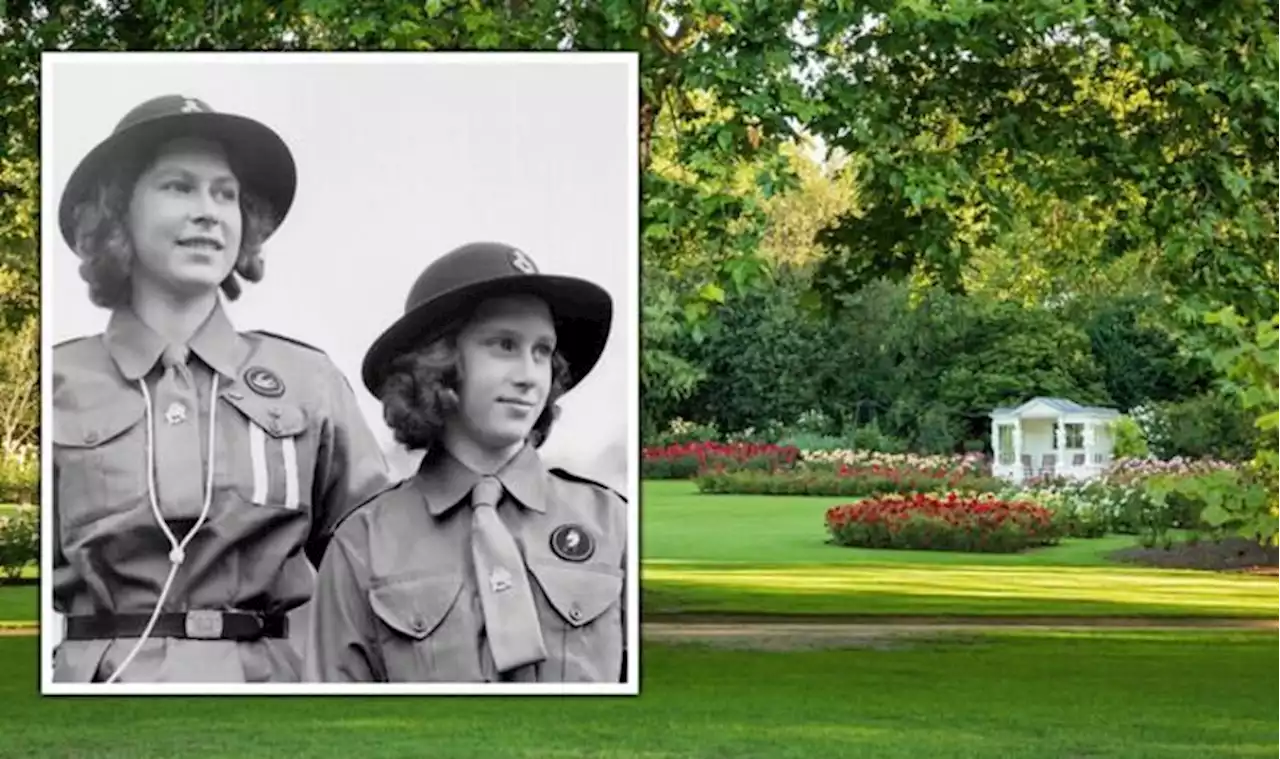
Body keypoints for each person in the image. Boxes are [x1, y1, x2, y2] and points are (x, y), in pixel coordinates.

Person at [51, 94, 391, 683]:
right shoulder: (57, 379)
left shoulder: (308, 383)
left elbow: (379, 566)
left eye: (225, 194)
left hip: (270, 692)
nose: (209, 212)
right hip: (101, 696)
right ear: (116, 214)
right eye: (179, 187)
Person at [304, 241, 627, 683]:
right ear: (438, 365)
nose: (530, 375)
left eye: (542, 351)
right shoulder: (363, 545)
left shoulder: (613, 524)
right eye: (504, 345)